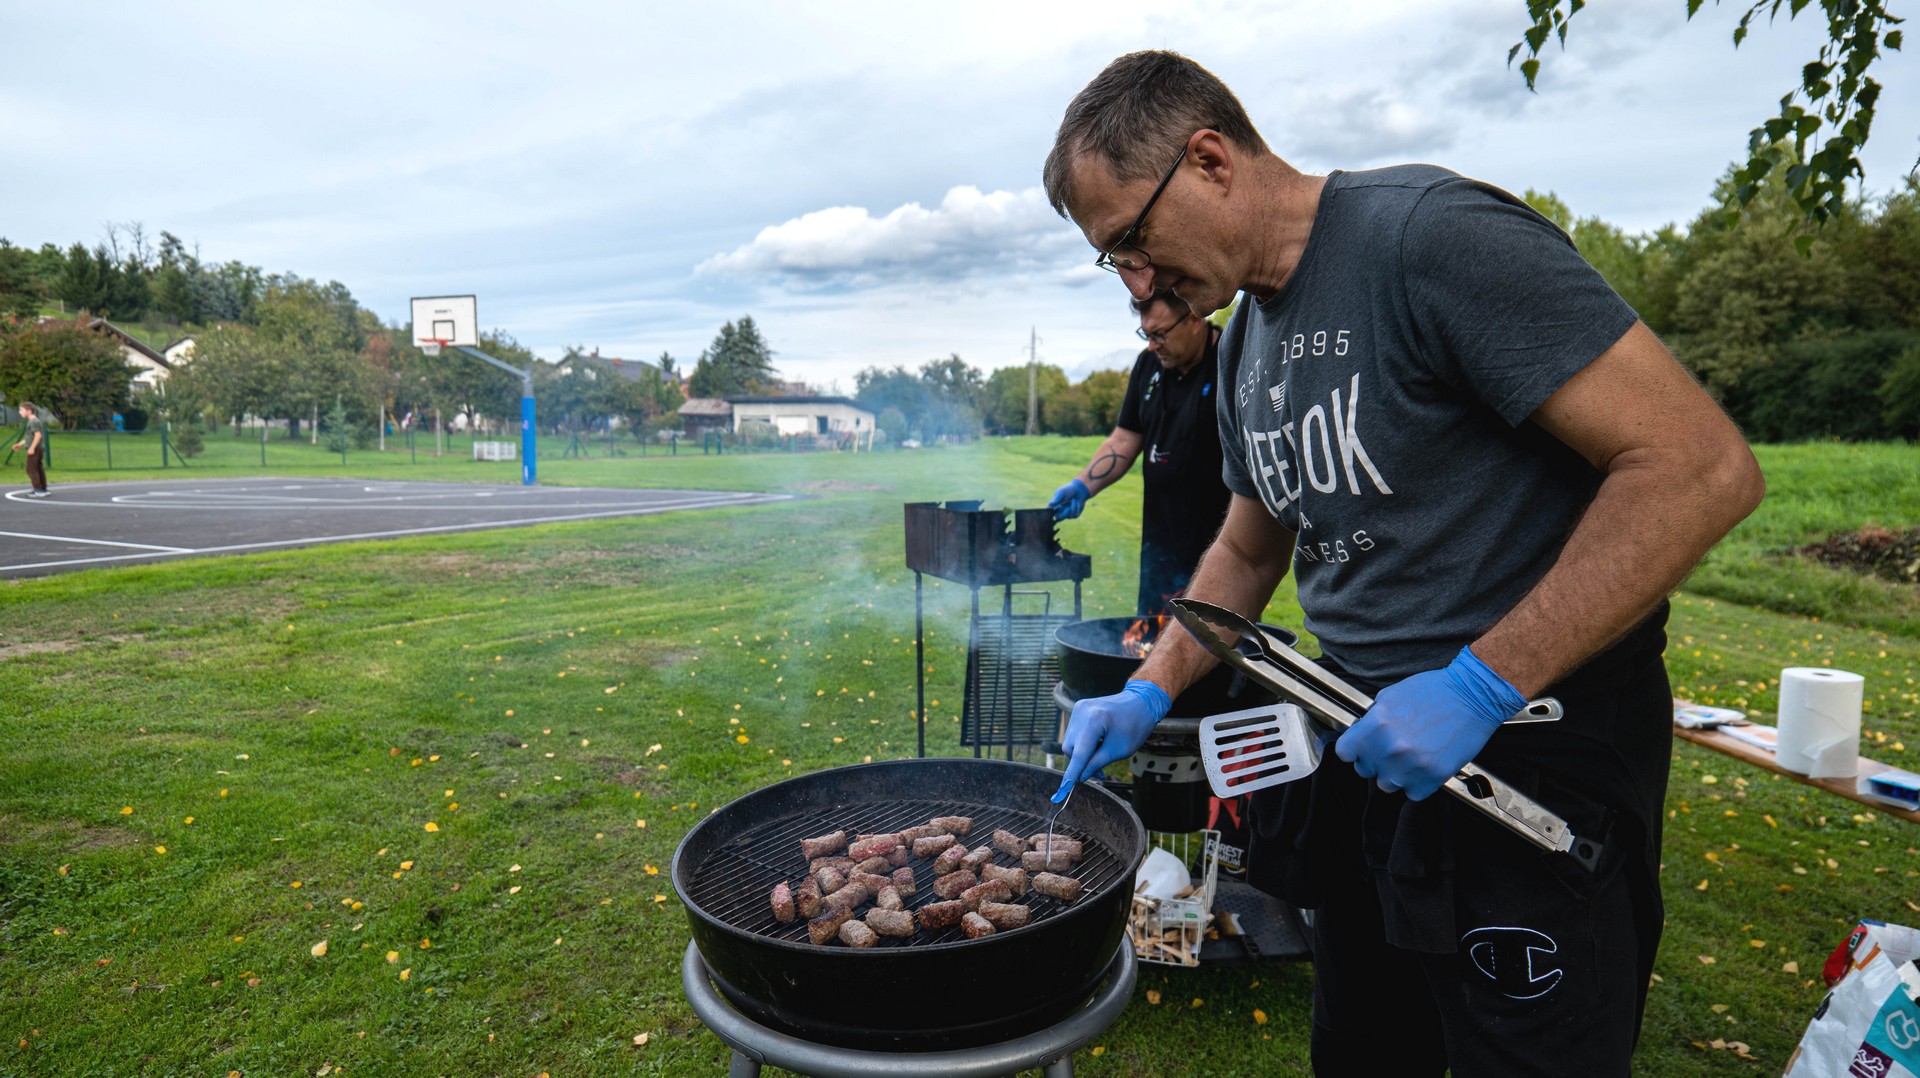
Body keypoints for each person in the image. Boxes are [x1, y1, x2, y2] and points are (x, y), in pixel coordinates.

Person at [1041, 51, 1764, 1076]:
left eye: (1133, 242)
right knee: (1367, 1050)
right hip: (1373, 756)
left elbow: (1699, 466)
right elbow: (1249, 549)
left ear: (1209, 160)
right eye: (1112, 259)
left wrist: (1482, 679)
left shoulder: (1429, 239)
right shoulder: (1248, 342)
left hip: (1528, 757)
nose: (1138, 283)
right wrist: (1150, 691)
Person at [1048, 288, 1231, 616]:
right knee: (1151, 645)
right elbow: (1124, 438)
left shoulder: (1231, 362)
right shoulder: (1149, 364)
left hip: (1222, 553)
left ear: (1193, 317)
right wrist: (1082, 485)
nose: (1151, 346)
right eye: (1146, 335)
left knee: (1213, 653)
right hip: (1158, 549)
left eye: (1159, 335)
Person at [14, 401, 48, 497]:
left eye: (21, 410)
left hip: (35, 448)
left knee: (31, 469)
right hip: (37, 448)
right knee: (38, 468)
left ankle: (38, 490)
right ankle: (43, 488)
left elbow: (38, 436)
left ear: (29, 411)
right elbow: (30, 437)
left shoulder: (33, 421)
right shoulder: (33, 421)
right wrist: (20, 444)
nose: (20, 412)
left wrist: (32, 448)